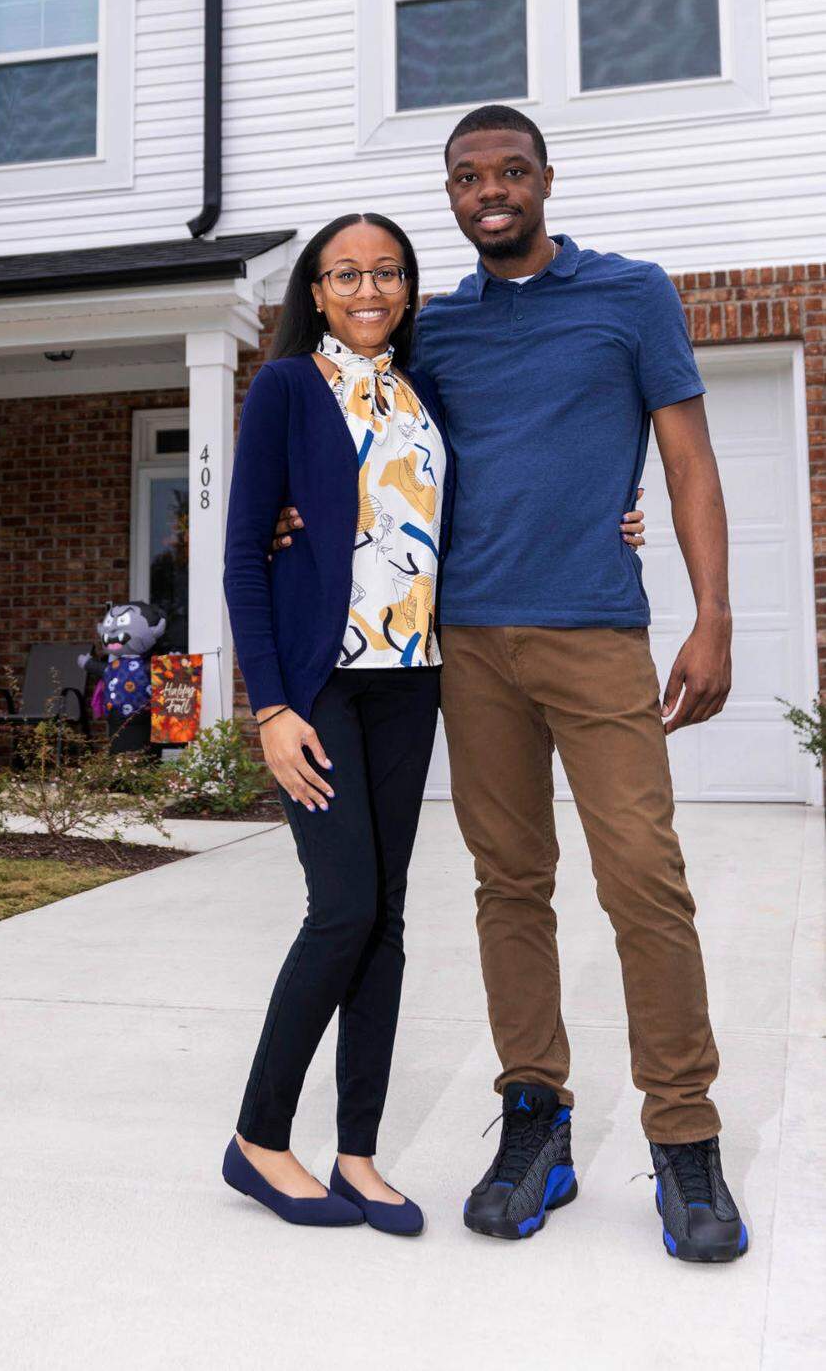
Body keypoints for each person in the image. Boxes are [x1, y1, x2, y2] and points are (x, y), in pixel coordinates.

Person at [272, 105, 747, 1264]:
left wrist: (713, 617)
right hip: (466, 646)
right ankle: (537, 1116)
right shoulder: (433, 328)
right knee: (508, 883)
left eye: (511, 170)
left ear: (544, 178)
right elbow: (363, 444)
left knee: (643, 878)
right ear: (451, 195)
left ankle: (684, 1138)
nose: (492, 189)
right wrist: (296, 512)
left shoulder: (631, 295)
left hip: (595, 633)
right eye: (468, 176)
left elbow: (685, 459)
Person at [222, 209, 646, 1237]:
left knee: (389, 918)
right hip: (322, 685)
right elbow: (243, 554)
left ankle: (357, 1154)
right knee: (342, 907)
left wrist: (610, 512)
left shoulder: (422, 394)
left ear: (408, 289)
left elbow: (501, 484)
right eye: (343, 275)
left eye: (386, 273)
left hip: (413, 679)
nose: (367, 291)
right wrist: (270, 705)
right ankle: (257, 1139)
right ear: (314, 292)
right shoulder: (285, 388)